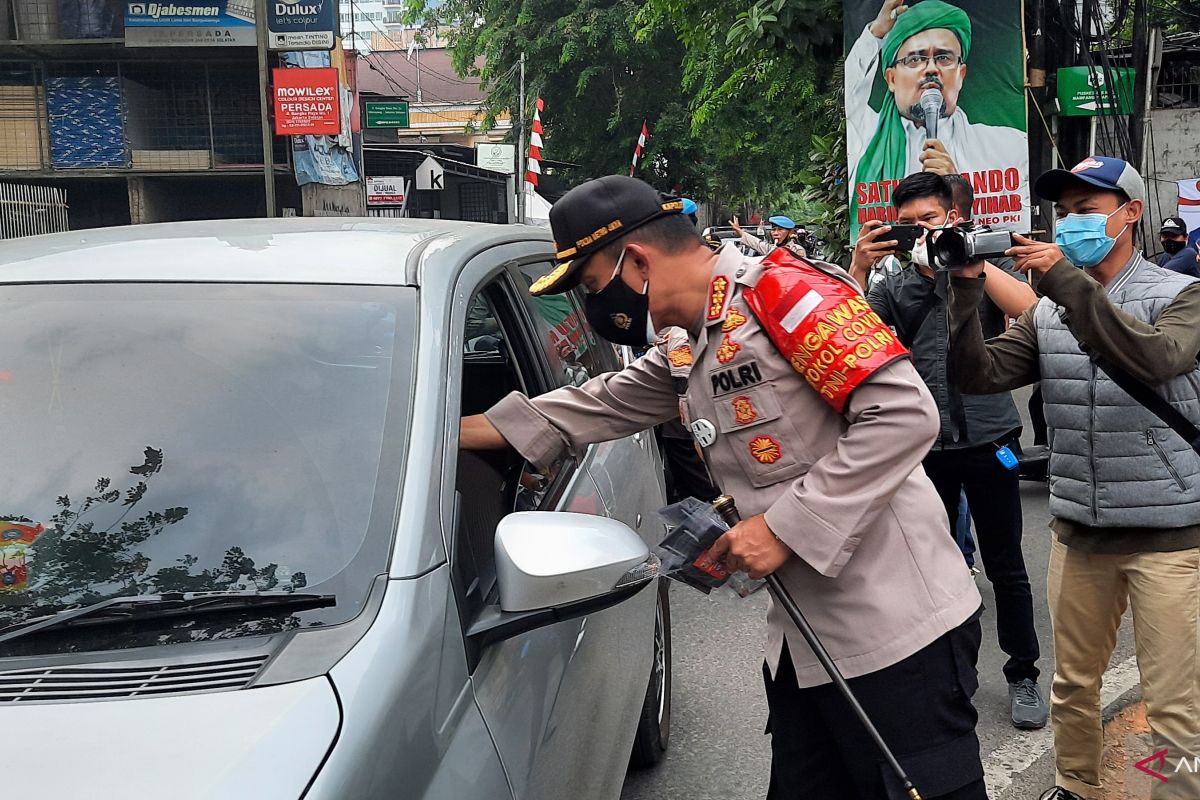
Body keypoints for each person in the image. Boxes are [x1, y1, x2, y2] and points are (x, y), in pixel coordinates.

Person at [461, 175, 987, 800]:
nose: (593, 309)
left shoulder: (787, 295)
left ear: (637, 262)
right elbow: (595, 404)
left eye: (594, 287)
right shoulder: (689, 339)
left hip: (896, 634)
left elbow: (906, 415)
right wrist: (437, 431)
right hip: (803, 642)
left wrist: (781, 528)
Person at [947, 156, 1200, 800]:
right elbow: (980, 376)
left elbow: (1153, 358)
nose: (1070, 224)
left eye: (1086, 211)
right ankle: (1077, 785)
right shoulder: (1050, 313)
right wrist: (967, 291)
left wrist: (1063, 280)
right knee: (1072, 687)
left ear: (1131, 214)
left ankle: (1172, 793)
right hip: (1078, 532)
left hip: (1170, 540)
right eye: (1064, 213)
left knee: (1174, 708)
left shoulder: (1183, 295)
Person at [850, 171, 1045, 730]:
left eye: (929, 220)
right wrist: (862, 267)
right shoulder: (894, 289)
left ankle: (1023, 672)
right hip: (925, 450)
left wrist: (966, 264)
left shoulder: (983, 269)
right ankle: (950, 677)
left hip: (994, 443)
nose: (919, 232)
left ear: (953, 218)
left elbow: (1031, 308)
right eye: (907, 224)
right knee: (931, 568)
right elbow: (852, 341)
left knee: (1006, 563)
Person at [846, 0, 1030, 237]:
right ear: (891, 79)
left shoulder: (1007, 144)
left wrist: (955, 185)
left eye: (943, 58)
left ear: (961, 75)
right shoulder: (866, 134)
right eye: (915, 59)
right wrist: (878, 32)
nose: (931, 69)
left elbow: (1013, 226)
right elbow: (851, 88)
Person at [730, 214, 808, 258]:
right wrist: (739, 231)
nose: (775, 233)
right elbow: (756, 243)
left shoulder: (796, 250)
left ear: (790, 232)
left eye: (780, 230)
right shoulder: (770, 249)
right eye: (773, 230)